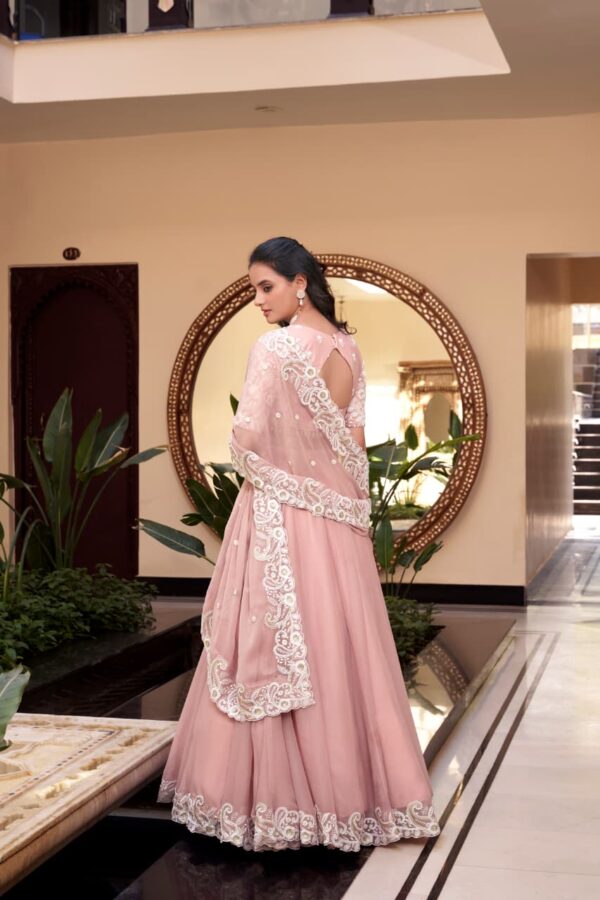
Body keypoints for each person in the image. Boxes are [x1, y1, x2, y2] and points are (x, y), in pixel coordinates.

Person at [158, 236, 440, 851]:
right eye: (254, 290)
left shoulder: (276, 347)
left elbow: (246, 437)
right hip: (338, 531)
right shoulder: (348, 349)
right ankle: (352, 801)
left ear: (300, 283)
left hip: (282, 523)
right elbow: (353, 446)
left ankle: (274, 804)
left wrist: (270, 468)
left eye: (267, 287)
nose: (259, 301)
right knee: (340, 650)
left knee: (273, 646)